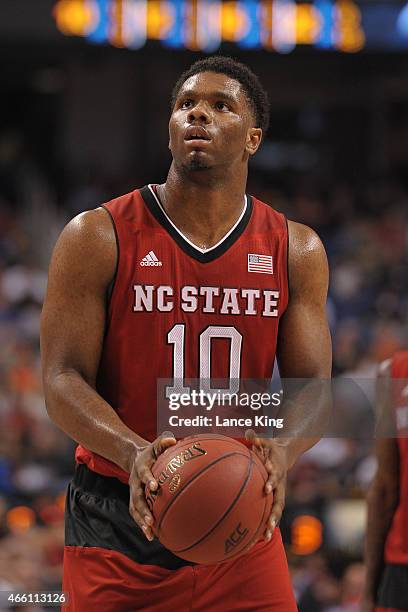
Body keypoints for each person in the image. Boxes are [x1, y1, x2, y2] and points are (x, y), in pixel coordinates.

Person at [40, 56, 332, 611]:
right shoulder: (96, 235)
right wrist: (132, 453)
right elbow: (60, 378)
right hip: (119, 519)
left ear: (253, 139)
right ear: (170, 130)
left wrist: (286, 449)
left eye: (221, 106)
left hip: (238, 512)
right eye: (186, 104)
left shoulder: (296, 249)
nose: (198, 113)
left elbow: (313, 384)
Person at [362, 351, 408, 612]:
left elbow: (384, 489)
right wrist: (369, 592)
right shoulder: (393, 372)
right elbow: (384, 489)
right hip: (400, 567)